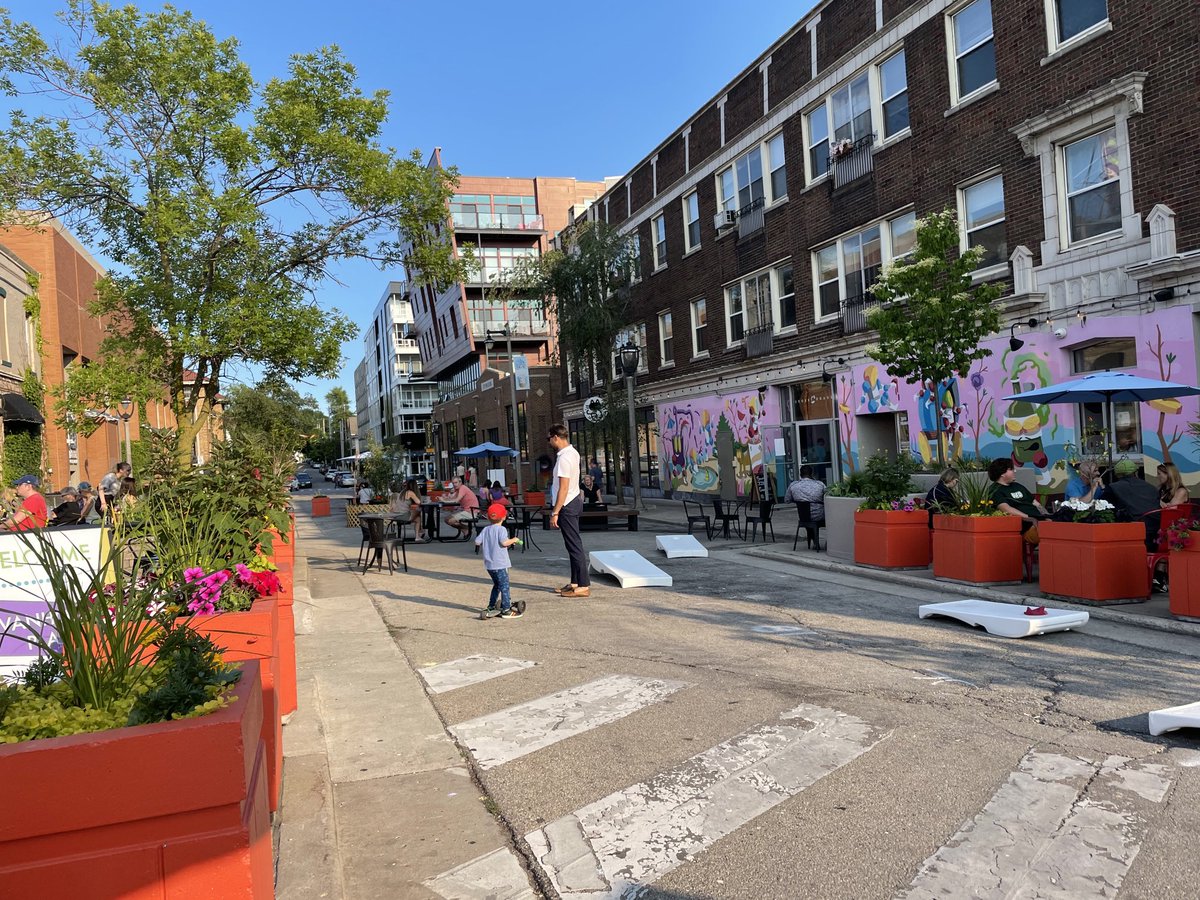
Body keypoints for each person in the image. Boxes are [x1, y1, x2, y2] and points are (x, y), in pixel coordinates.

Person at [548, 424, 589, 598]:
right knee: (571, 544)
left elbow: (563, 487)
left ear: (556, 437)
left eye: (549, 438)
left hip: (567, 504)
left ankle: (584, 585)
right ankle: (575, 582)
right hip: (573, 501)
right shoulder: (573, 453)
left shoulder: (564, 458)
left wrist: (555, 512)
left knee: (574, 544)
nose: (549, 441)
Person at [475, 502, 524, 619]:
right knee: (504, 586)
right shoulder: (501, 529)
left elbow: (477, 541)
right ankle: (506, 609)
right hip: (501, 564)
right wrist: (514, 540)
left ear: (488, 517)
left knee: (497, 585)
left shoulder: (486, 529)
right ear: (504, 517)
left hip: (489, 565)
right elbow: (504, 543)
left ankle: (491, 606)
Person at [1107, 459, 1162, 549]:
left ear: (1117, 475)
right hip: (1157, 530)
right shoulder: (1151, 488)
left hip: (1135, 533)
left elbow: (1106, 506)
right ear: (1136, 472)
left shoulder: (1115, 487)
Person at [988, 458, 1045, 544]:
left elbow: (1035, 503)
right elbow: (1006, 509)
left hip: (1039, 521)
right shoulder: (995, 490)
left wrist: (1046, 515)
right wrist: (1030, 518)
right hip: (1026, 526)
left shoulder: (1018, 486)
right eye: (1011, 469)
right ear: (1002, 473)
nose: (1014, 471)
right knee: (1052, 534)